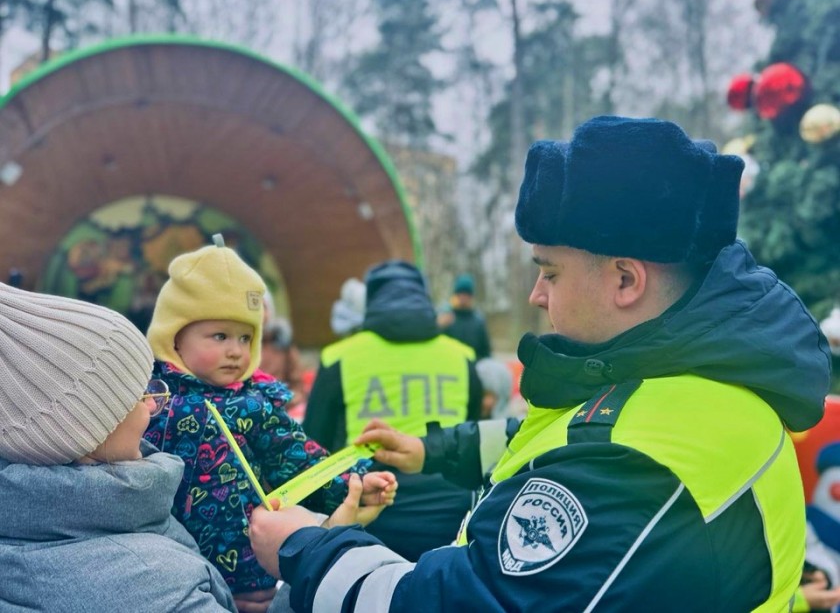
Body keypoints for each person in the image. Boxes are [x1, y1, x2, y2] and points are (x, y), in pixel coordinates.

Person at [248, 115, 831, 611]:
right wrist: (433, 449)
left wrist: (305, 549)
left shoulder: (639, 462)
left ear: (625, 279)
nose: (535, 294)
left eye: (549, 270)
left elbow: (472, 600)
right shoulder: (687, 381)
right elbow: (555, 440)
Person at [143, 235, 396, 612]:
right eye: (220, 335)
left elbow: (299, 458)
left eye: (246, 337)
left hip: (251, 574)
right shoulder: (147, 403)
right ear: (174, 336)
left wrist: (352, 483)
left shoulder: (254, 404)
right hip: (173, 574)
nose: (236, 350)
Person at [0, 283, 237, 611]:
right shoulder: (158, 587)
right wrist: (307, 570)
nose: (154, 406)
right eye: (139, 394)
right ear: (83, 433)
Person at [303, 259, 483, 560]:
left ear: (371, 301)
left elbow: (311, 446)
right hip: (452, 519)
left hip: (370, 514)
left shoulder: (339, 357)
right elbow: (476, 435)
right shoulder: (462, 356)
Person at [258, 292, 307, 419]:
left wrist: (285, 400)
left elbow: (297, 385)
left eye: (264, 307)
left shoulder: (283, 345)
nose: (261, 314)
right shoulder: (241, 347)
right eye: (256, 307)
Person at [438, 273, 492, 359]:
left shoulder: (478, 322)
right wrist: (439, 326)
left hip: (473, 368)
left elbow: (486, 353)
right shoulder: (446, 319)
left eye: (466, 294)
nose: (463, 297)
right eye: (460, 294)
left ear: (471, 297)